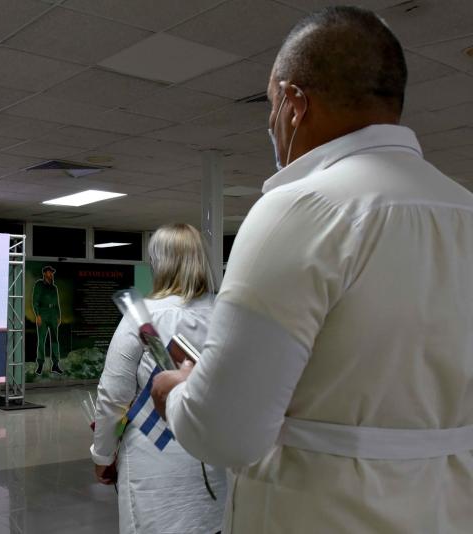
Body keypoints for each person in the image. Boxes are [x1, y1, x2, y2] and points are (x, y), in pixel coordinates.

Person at [151, 6, 473, 533]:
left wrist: (177, 391)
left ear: (295, 104)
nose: (274, 130)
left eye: (272, 111)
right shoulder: (464, 210)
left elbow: (225, 433)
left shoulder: (301, 209)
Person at [92, 223, 226, 534]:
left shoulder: (142, 317)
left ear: (159, 263)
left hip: (154, 466)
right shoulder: (226, 315)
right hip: (216, 460)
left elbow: (113, 396)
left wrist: (102, 453)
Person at [32, 265, 62, 375]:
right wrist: (38, 315)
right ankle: (40, 364)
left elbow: (57, 303)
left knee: (55, 340)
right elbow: (35, 301)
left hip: (53, 314)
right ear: (44, 273)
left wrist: (59, 316)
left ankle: (55, 365)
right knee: (41, 340)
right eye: (49, 272)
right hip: (43, 313)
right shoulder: (39, 284)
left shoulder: (54, 288)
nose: (51, 274)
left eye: (52, 273)